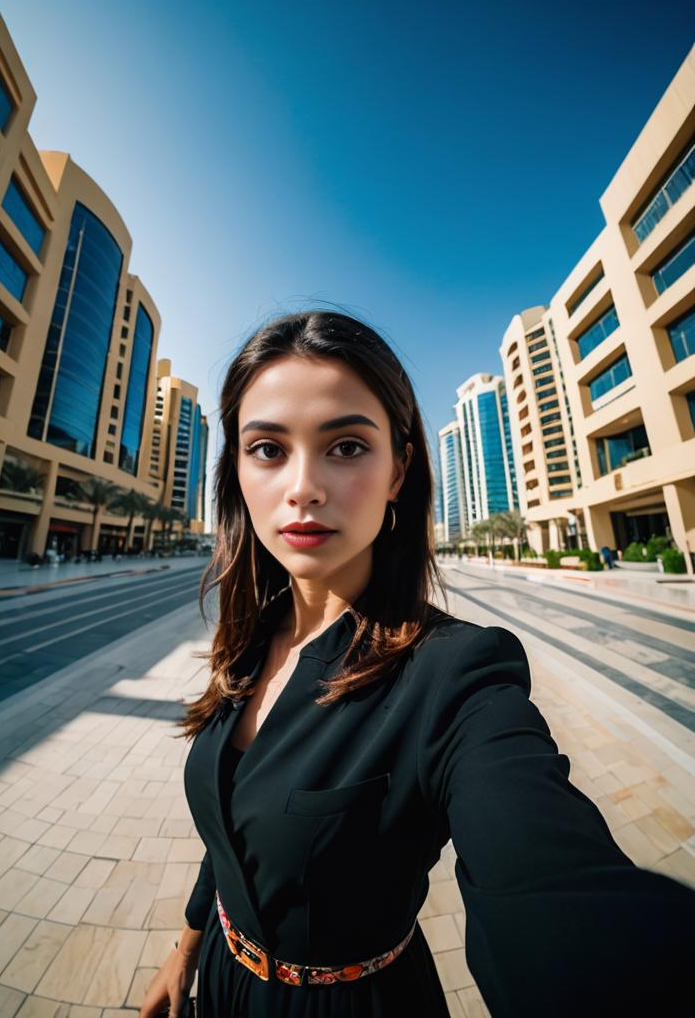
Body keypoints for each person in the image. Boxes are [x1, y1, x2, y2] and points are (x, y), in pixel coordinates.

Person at [140, 310, 695, 1018]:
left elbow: (551, 886)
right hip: (218, 982)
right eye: (269, 450)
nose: (303, 486)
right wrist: (185, 949)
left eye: (345, 446)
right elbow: (231, 829)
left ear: (399, 469)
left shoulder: (458, 674)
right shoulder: (249, 639)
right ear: (238, 472)